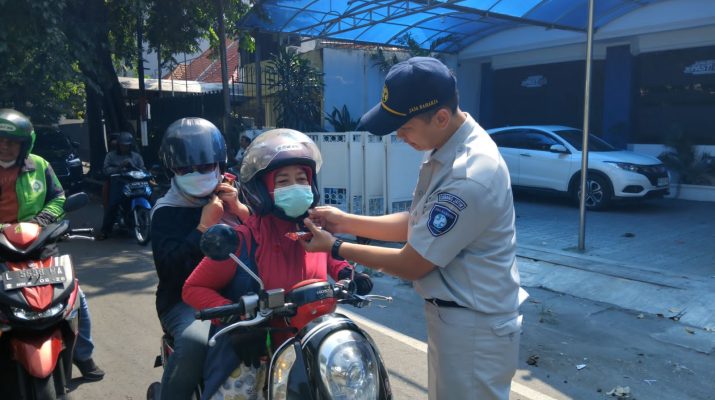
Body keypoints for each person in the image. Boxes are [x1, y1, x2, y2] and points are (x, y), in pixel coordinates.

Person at [300, 57, 528, 400]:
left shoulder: (469, 174)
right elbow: (417, 222)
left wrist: (334, 246)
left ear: (441, 117)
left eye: (405, 127)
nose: (399, 136)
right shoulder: (444, 147)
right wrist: (344, 220)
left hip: (474, 329)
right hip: (457, 320)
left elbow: (413, 262)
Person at [182, 129, 373, 400]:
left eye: (302, 179)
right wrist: (236, 321)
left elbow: (333, 257)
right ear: (260, 190)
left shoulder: (314, 232)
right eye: (283, 181)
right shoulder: (242, 240)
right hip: (255, 349)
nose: (295, 186)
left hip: (313, 343)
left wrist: (350, 274)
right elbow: (193, 288)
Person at [0, 109, 105, 381]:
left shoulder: (39, 165)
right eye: (0, 140)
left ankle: (82, 354)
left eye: (12, 141)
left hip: (38, 244)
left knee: (75, 300)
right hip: (0, 249)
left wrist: (42, 219)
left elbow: (58, 197)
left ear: (25, 144)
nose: (5, 146)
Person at [150, 117, 248, 400]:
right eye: (185, 168)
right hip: (184, 300)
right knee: (195, 342)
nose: (196, 173)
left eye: (204, 166)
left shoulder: (236, 197)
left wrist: (239, 210)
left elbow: (265, 239)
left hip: (242, 293)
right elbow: (170, 272)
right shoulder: (166, 211)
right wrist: (203, 228)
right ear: (172, 170)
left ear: (219, 164)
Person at [96, 131, 146, 240]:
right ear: (118, 145)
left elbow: (143, 170)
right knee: (113, 205)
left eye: (127, 146)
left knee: (150, 197)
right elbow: (106, 170)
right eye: (123, 145)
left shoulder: (136, 157)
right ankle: (105, 230)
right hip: (118, 183)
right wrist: (119, 167)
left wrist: (133, 166)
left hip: (134, 183)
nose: (125, 148)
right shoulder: (111, 156)